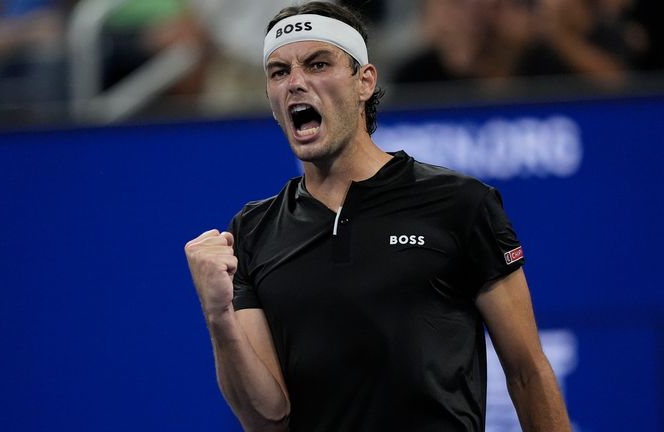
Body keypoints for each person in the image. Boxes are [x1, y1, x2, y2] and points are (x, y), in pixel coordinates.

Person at [184, 2, 571, 431]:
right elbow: (268, 418)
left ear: (365, 81)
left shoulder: (459, 204)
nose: (295, 83)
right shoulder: (252, 232)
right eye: (279, 72)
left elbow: (526, 371)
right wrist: (218, 314)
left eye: (317, 64)